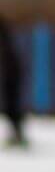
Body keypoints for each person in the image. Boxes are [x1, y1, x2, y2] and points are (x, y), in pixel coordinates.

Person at [0, 15, 26, 148]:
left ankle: (17, 134)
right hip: (10, 73)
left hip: (10, 74)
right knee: (12, 106)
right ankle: (17, 133)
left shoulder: (5, 40)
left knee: (12, 106)